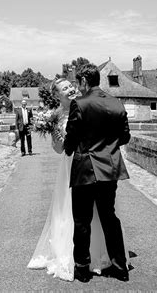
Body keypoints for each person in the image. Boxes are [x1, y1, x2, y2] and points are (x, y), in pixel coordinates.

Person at [27, 78, 119, 281]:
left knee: (95, 211)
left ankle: (99, 254)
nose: (70, 89)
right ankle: (72, 256)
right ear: (56, 95)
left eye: (70, 85)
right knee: (70, 210)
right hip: (70, 165)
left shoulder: (87, 104)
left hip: (91, 164)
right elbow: (59, 149)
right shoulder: (56, 116)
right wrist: (58, 138)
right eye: (64, 88)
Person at [64, 64, 131, 283]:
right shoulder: (116, 103)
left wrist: (70, 147)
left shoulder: (80, 104)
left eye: (77, 82)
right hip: (109, 168)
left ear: (84, 81)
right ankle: (120, 266)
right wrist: (108, 149)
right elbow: (125, 137)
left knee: (82, 219)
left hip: (85, 169)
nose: (77, 86)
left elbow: (71, 139)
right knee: (109, 216)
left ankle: (82, 268)